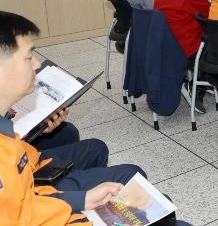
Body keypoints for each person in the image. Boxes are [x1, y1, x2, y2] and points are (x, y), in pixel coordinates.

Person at [0, 11, 141, 224]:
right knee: (132, 177)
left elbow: (27, 200)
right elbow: (26, 211)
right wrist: (80, 207)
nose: (37, 64)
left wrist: (82, 199)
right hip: (43, 199)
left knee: (94, 147)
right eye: (28, 57)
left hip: (35, 180)